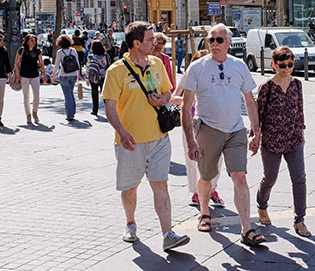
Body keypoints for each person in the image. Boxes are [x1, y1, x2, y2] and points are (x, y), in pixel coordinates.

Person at [102, 21, 189, 251]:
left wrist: (162, 99)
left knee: (161, 184)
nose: (156, 42)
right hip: (129, 142)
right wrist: (122, 132)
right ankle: (130, 223)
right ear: (136, 43)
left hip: (158, 137)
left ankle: (168, 234)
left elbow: (168, 92)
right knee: (130, 187)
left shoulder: (157, 64)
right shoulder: (116, 71)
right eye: (150, 39)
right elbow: (110, 107)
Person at [180, 24, 266, 247]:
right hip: (208, 128)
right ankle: (205, 212)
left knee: (240, 176)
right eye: (211, 40)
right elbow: (186, 104)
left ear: (229, 42)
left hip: (235, 129)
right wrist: (190, 140)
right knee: (207, 177)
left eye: (219, 40)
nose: (214, 44)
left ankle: (247, 229)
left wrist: (256, 131)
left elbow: (249, 100)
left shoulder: (238, 66)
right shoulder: (197, 67)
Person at [255, 46, 310, 237]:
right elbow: (258, 114)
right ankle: (262, 205)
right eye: (282, 65)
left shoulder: (297, 84)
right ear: (274, 65)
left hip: (293, 137)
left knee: (299, 178)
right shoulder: (266, 87)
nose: (287, 68)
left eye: (290, 64)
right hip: (272, 139)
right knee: (270, 178)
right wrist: (255, 135)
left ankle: (300, 220)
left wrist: (302, 130)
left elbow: (300, 108)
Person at [171, 49, 225, 209]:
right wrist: (188, 99)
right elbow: (173, 98)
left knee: (216, 158)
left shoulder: (217, 77)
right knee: (192, 159)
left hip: (215, 123)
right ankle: (196, 191)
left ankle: (212, 189)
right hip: (193, 124)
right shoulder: (189, 76)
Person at [13, 34, 47, 124]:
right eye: (32, 40)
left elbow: (41, 63)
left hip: (35, 75)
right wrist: (17, 76)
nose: (33, 42)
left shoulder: (37, 51)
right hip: (24, 75)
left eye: (34, 41)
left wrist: (44, 75)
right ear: (27, 41)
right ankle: (28, 115)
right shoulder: (22, 50)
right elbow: (16, 64)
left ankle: (35, 112)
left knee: (37, 96)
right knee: (26, 97)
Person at [51, 34, 82, 122]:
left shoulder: (60, 52)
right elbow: (77, 63)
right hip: (73, 75)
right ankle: (73, 111)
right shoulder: (73, 50)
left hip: (64, 75)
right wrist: (78, 74)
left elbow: (57, 65)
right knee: (71, 93)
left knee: (67, 95)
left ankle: (70, 114)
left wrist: (53, 75)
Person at [86, 40, 111, 116]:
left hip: (93, 77)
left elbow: (88, 68)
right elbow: (109, 66)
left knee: (94, 93)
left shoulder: (90, 56)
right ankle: (109, 110)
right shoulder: (106, 56)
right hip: (104, 76)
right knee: (105, 94)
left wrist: (87, 79)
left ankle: (95, 110)